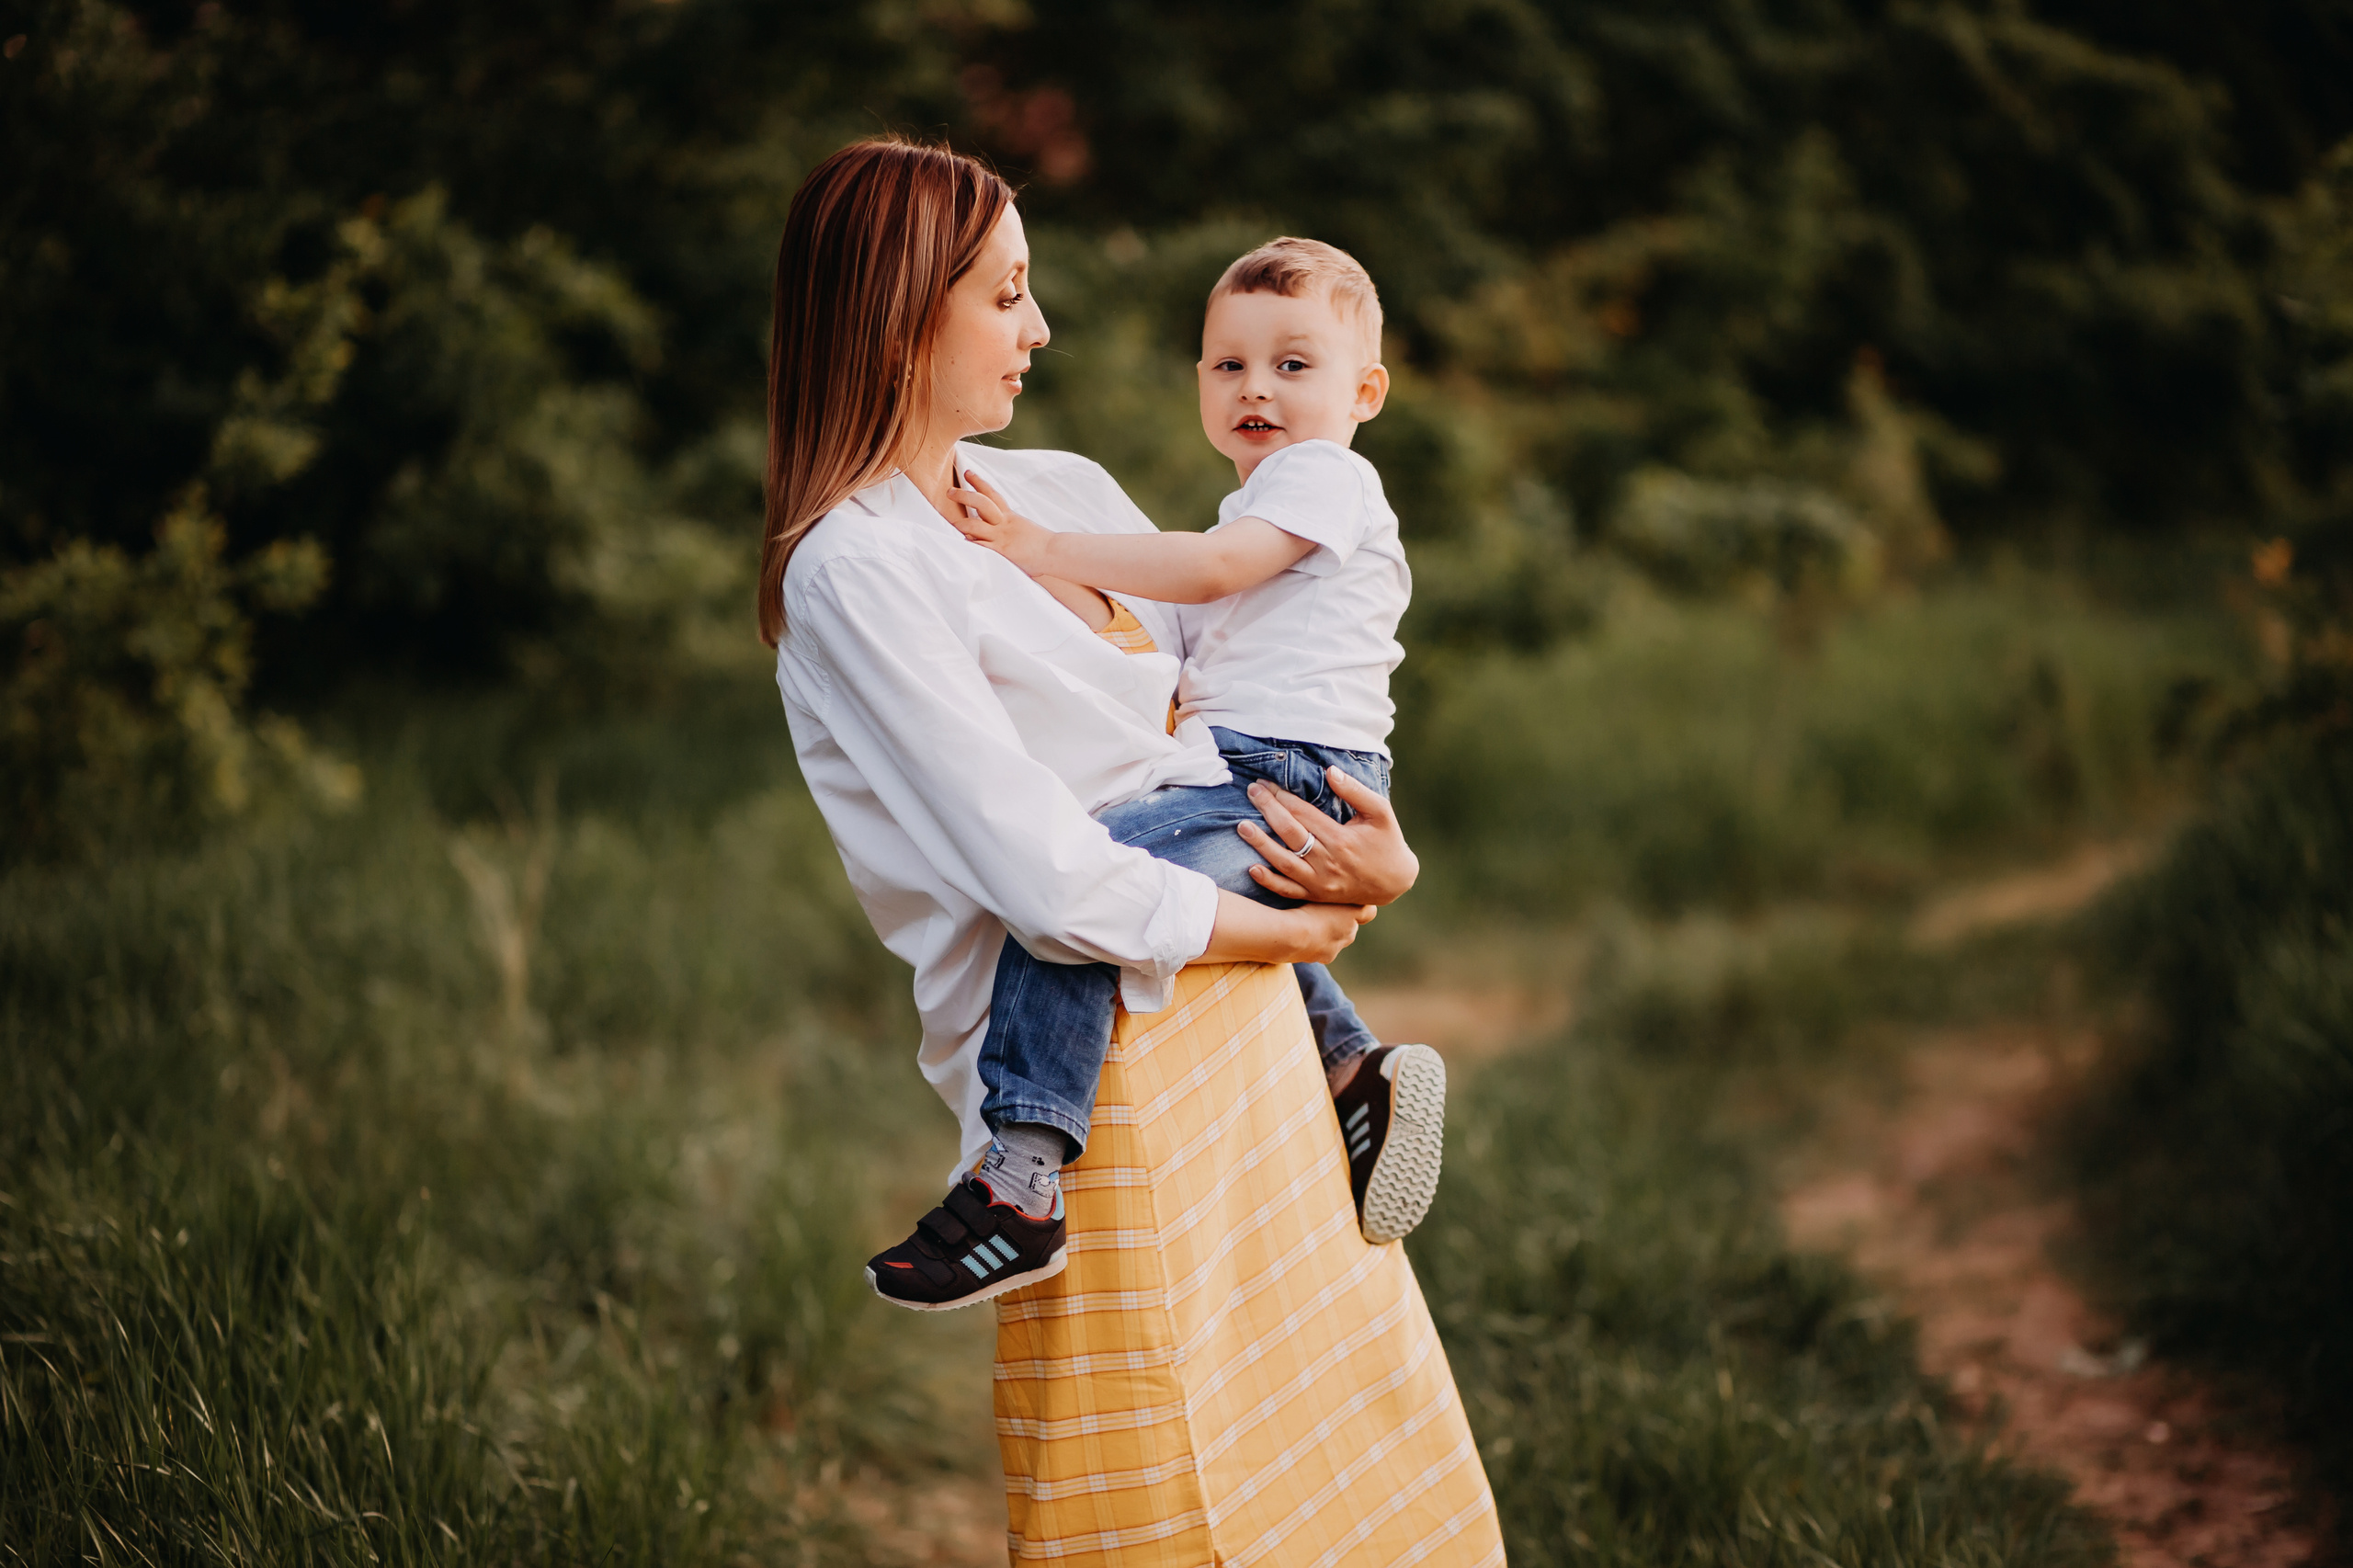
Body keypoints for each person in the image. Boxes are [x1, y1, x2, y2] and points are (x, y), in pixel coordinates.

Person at [765, 137, 1502, 1565]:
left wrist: (1380, 874)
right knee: (1168, 1500)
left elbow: (1227, 739)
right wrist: (1302, 931)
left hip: (1257, 1039)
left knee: (1334, 1449)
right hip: (1104, 1079)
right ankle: (1015, 1194)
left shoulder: (1068, 492)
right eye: (1005, 295)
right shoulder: (853, 566)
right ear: (898, 311)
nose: (1039, 328)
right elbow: (1050, 877)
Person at [925, 236, 1445, 1284]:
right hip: (1264, 763)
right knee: (1143, 892)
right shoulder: (1262, 502)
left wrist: (1038, 547)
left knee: (1080, 880)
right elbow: (1171, 634)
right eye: (1227, 364)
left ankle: (1019, 1171)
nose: (1255, 386)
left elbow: (1205, 574)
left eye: (1293, 365)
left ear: (1366, 391)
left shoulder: (1323, 478)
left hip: (1284, 766)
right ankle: (1353, 1068)